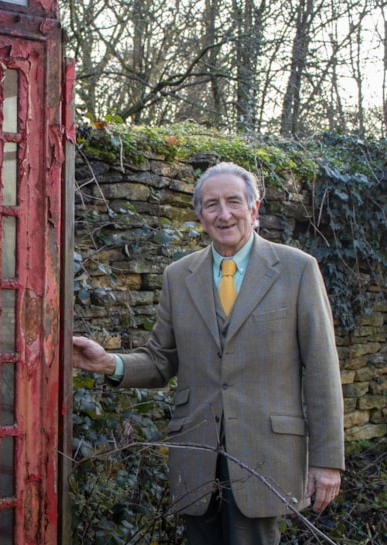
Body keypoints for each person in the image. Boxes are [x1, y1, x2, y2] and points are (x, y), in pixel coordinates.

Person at [72, 162, 345, 545]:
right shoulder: (178, 276)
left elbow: (321, 369)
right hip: (196, 455)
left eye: (234, 201)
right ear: (200, 216)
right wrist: (107, 363)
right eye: (212, 204)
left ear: (254, 209)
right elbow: (160, 360)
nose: (224, 213)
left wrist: (327, 460)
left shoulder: (297, 269)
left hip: (265, 453)